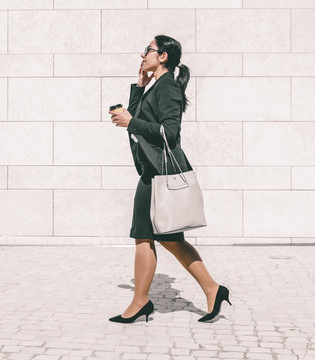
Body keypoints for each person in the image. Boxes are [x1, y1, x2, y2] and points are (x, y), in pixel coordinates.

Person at [107, 35, 231, 323]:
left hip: (160, 173)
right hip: (153, 171)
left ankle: (142, 302)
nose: (143, 53)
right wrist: (139, 87)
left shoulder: (168, 87)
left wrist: (131, 122)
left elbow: (170, 133)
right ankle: (212, 289)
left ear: (163, 56)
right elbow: (137, 120)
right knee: (161, 237)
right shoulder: (156, 86)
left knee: (150, 236)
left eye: (148, 49)